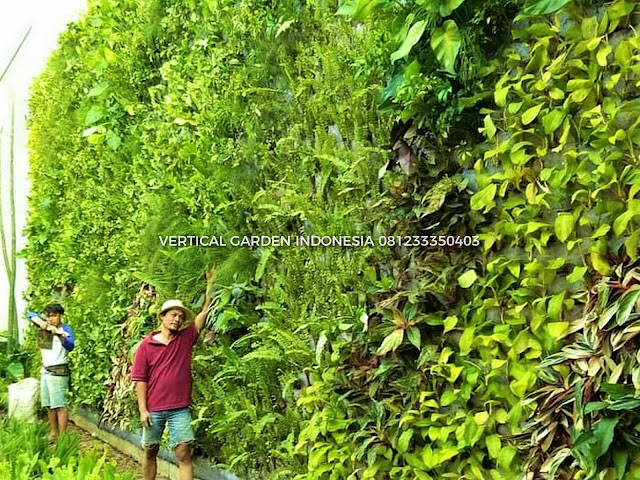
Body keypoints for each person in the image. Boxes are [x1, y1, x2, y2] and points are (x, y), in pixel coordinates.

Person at [131, 270, 215, 480]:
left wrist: (210, 285)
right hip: (154, 408)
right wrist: (143, 410)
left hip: (179, 408)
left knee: (184, 452)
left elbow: (205, 312)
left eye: (180, 316)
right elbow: (140, 380)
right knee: (151, 450)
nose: (177, 319)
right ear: (162, 317)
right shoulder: (146, 346)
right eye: (173, 315)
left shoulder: (185, 338)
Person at [26, 303, 75, 442]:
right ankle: (54, 434)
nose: (51, 319)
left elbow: (70, 346)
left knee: (60, 405)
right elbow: (30, 315)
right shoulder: (44, 326)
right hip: (46, 372)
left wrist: (58, 334)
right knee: (49, 406)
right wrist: (44, 324)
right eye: (48, 316)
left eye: (54, 315)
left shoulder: (65, 329)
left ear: (60, 316)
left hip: (58, 372)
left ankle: (63, 437)